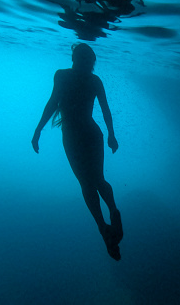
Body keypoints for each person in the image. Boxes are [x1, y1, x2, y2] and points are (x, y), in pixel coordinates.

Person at [32, 43, 123, 261]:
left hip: (74, 137)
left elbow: (52, 104)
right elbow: (105, 110)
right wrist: (111, 135)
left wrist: (38, 131)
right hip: (90, 134)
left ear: (75, 58)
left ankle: (104, 226)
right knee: (97, 180)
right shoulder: (93, 80)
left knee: (87, 183)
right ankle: (112, 213)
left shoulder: (63, 76)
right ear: (90, 62)